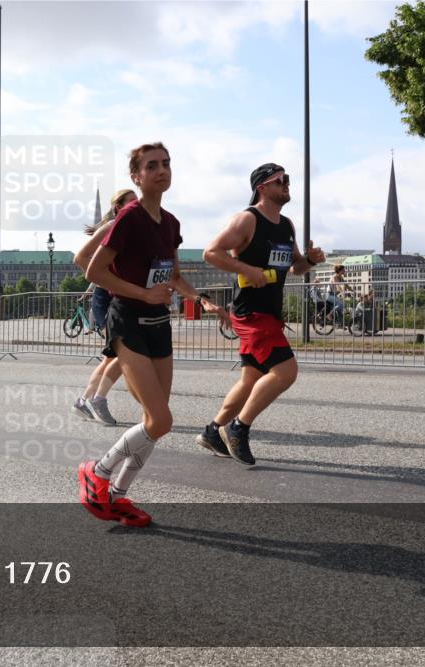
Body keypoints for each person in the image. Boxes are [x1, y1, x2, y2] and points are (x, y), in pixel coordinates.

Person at [77, 143, 227, 527]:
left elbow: (174, 275)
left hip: (159, 325)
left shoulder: (171, 223)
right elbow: (94, 271)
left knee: (154, 422)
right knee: (161, 420)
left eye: (166, 164)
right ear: (136, 176)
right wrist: (143, 294)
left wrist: (202, 299)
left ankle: (118, 497)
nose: (161, 170)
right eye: (151, 166)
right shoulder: (128, 219)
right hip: (128, 322)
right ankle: (98, 471)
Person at [198, 163, 325, 465]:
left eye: (287, 179)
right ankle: (238, 428)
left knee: (251, 379)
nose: (287, 184)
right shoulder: (247, 219)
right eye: (280, 180)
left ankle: (213, 432)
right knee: (286, 372)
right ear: (262, 187)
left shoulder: (286, 225)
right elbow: (211, 252)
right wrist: (247, 269)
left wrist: (309, 260)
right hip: (251, 314)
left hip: (270, 313)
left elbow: (294, 268)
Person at [72, 188, 138, 426]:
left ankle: (85, 400)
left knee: (113, 355)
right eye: (131, 202)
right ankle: (97, 400)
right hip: (108, 297)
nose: (136, 205)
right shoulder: (111, 227)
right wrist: (106, 279)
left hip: (123, 296)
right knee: (124, 351)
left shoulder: (134, 229)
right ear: (118, 207)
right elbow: (81, 258)